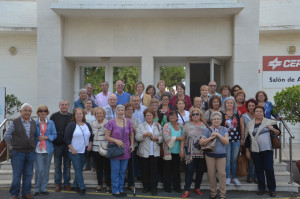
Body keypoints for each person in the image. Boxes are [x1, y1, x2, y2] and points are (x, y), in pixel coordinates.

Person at [244, 105, 280, 197]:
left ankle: (272, 189)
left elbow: (278, 132)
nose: (259, 113)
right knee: (259, 170)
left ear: (263, 112)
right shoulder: (250, 124)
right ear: (254, 113)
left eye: (260, 111)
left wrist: (272, 129)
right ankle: (261, 188)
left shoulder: (270, 122)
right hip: (255, 151)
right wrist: (247, 150)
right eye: (257, 111)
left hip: (267, 149)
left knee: (269, 169)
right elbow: (247, 139)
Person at [4, 103, 37, 199]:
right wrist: (13, 145)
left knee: (28, 174)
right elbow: (6, 136)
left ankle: (26, 193)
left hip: (30, 153)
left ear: (31, 112)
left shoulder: (33, 122)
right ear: (20, 111)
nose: (27, 112)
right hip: (18, 153)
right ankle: (14, 194)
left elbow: (34, 136)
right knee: (17, 175)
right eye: (25, 110)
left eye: (29, 110)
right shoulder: (15, 122)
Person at [105, 105, 135, 197]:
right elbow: (107, 137)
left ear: (124, 111)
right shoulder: (111, 122)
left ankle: (121, 189)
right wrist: (116, 140)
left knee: (122, 171)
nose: (121, 112)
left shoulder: (128, 122)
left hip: (125, 150)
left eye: (122, 110)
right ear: (116, 112)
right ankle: (115, 190)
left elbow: (131, 135)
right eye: (119, 110)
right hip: (115, 149)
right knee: (115, 171)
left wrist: (132, 145)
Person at [64, 108, 93, 195]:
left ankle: (75, 185)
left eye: (80, 114)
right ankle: (82, 187)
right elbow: (66, 138)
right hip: (74, 151)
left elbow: (91, 136)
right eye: (77, 114)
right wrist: (72, 149)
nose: (79, 115)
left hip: (85, 151)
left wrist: (90, 144)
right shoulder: (71, 125)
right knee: (78, 169)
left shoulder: (87, 124)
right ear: (74, 115)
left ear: (83, 115)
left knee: (79, 169)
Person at [200, 111, 229, 199]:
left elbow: (226, 142)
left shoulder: (224, 129)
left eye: (218, 119)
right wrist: (211, 137)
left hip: (221, 155)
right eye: (214, 119)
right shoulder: (207, 130)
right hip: (210, 155)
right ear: (211, 120)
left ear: (221, 120)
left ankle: (222, 194)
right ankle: (213, 193)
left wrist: (218, 134)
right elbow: (201, 142)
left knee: (222, 174)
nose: (216, 120)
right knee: (211, 174)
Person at [136, 109, 163, 196]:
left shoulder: (157, 125)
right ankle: (146, 187)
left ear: (153, 116)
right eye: (147, 115)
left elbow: (162, 137)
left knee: (154, 172)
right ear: (144, 117)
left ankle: (154, 189)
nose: (149, 117)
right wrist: (144, 135)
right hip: (144, 152)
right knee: (145, 171)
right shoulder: (141, 126)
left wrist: (158, 139)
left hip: (155, 152)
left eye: (150, 115)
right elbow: (137, 137)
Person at [181, 108, 207, 198]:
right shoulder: (187, 125)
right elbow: (183, 138)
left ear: (200, 115)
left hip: (202, 152)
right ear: (191, 116)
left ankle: (197, 188)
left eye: (197, 114)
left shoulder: (204, 125)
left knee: (200, 171)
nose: (195, 116)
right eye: (193, 114)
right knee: (189, 171)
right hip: (190, 153)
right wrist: (181, 150)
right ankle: (187, 190)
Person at [34, 105, 57, 196]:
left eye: (45, 111)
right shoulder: (35, 123)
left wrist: (46, 137)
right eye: (41, 111)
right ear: (38, 113)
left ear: (47, 112)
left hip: (48, 149)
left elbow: (54, 135)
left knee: (46, 170)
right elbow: (32, 136)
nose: (43, 112)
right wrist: (37, 138)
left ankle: (43, 188)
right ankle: (36, 189)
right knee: (39, 170)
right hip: (38, 149)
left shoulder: (51, 123)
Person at [221, 97, 244, 186]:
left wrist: (242, 139)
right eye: (228, 103)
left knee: (234, 159)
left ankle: (234, 177)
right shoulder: (221, 113)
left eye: (231, 103)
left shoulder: (238, 113)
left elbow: (242, 127)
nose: (229, 104)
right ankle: (227, 177)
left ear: (234, 104)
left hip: (236, 140)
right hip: (225, 140)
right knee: (227, 159)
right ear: (225, 104)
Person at [50, 100, 72, 192]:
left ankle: (66, 183)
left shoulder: (71, 116)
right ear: (59, 106)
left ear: (68, 106)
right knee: (57, 166)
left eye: (65, 105)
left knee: (67, 165)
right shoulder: (53, 116)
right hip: (57, 145)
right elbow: (50, 129)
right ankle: (58, 184)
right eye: (62, 105)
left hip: (68, 145)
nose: (64, 106)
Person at [162, 110, 184, 194]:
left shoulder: (181, 126)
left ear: (177, 117)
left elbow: (184, 138)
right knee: (167, 170)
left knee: (176, 170)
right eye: (170, 115)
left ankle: (176, 187)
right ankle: (167, 187)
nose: (172, 117)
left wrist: (181, 150)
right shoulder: (166, 126)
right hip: (168, 152)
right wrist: (178, 138)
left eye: (174, 115)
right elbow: (166, 138)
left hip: (178, 151)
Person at [91, 107, 111, 192]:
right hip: (95, 148)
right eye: (97, 113)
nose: (99, 115)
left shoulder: (108, 123)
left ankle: (108, 185)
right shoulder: (93, 124)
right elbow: (92, 135)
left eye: (101, 113)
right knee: (98, 168)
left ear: (104, 114)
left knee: (107, 168)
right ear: (95, 115)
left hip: (105, 148)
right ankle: (99, 184)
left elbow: (109, 135)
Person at [124, 103, 140, 192]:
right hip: (123, 144)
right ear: (125, 111)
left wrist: (134, 129)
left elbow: (138, 133)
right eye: (128, 109)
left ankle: (131, 183)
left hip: (133, 145)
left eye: (131, 109)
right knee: (123, 166)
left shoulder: (135, 120)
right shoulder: (122, 120)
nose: (130, 111)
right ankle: (121, 183)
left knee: (131, 166)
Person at [243, 98, 258, 183]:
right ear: (247, 107)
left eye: (253, 105)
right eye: (250, 106)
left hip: (258, 139)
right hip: (248, 139)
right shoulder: (244, 116)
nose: (251, 107)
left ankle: (256, 176)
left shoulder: (258, 115)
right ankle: (250, 175)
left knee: (257, 159)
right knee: (250, 158)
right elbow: (243, 128)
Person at [83, 99, 96, 171]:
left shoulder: (94, 112)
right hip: (85, 133)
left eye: (90, 103)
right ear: (85, 104)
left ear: (92, 104)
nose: (88, 104)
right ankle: (86, 165)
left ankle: (92, 165)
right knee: (86, 149)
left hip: (93, 133)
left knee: (92, 149)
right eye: (87, 103)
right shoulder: (83, 112)